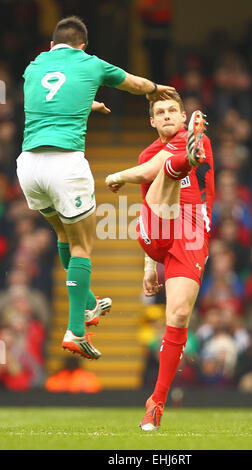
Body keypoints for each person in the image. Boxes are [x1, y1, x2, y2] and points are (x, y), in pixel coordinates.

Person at [16, 16, 176, 360]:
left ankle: (88, 302)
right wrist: (154, 89)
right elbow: (131, 83)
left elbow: (47, 104)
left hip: (28, 165)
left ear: (51, 45)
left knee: (64, 235)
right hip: (65, 165)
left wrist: (85, 105)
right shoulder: (90, 63)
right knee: (83, 245)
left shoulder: (34, 67)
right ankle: (77, 327)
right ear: (83, 45)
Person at [106, 91, 214, 430]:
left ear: (184, 118)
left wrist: (119, 175)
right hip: (158, 227)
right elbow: (146, 201)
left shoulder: (196, 138)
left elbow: (144, 173)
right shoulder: (147, 155)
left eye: (172, 111)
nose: (167, 116)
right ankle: (179, 166)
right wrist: (149, 266)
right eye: (160, 112)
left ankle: (156, 403)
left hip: (192, 232)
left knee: (179, 313)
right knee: (163, 172)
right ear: (152, 121)